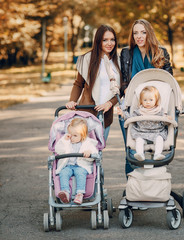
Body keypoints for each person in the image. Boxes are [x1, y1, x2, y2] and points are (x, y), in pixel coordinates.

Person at [119, 19, 173, 174]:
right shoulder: (126, 53)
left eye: (143, 32)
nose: (139, 36)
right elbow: (123, 80)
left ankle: (154, 184)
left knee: (157, 147)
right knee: (132, 149)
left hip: (156, 108)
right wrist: (125, 89)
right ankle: (133, 186)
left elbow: (169, 81)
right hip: (133, 107)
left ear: (149, 33)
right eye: (135, 33)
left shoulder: (161, 52)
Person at [66, 25, 122, 142]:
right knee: (83, 149)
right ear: (98, 41)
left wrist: (110, 103)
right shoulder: (87, 59)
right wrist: (72, 100)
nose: (109, 43)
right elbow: (78, 84)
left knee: (98, 151)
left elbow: (120, 90)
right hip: (87, 110)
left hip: (106, 113)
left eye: (112, 39)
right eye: (105, 40)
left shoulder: (118, 62)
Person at [117, 86, 171, 161]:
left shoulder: (160, 110)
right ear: (141, 101)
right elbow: (131, 118)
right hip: (141, 132)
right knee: (139, 140)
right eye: (145, 100)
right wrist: (123, 113)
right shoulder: (139, 111)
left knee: (160, 139)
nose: (148, 102)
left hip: (157, 132)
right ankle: (140, 154)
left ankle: (157, 154)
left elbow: (164, 121)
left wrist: (167, 118)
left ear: (156, 100)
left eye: (151, 100)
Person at [55, 118, 98, 204]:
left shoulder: (88, 143)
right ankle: (65, 192)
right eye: (70, 134)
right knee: (63, 173)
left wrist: (89, 153)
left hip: (81, 166)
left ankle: (80, 194)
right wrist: (64, 141)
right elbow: (58, 150)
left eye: (75, 135)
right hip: (68, 165)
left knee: (80, 173)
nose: (72, 138)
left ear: (83, 135)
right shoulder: (66, 141)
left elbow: (95, 153)